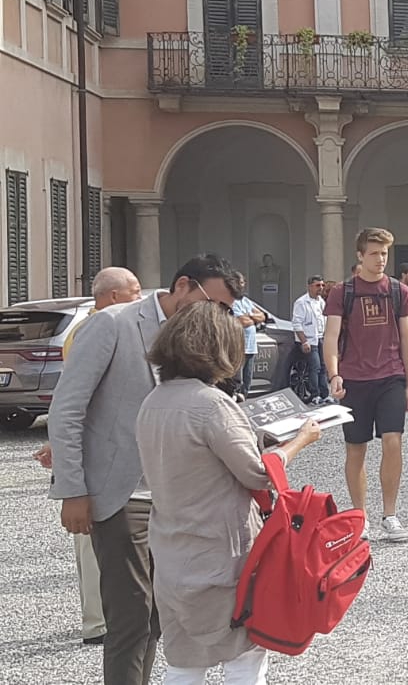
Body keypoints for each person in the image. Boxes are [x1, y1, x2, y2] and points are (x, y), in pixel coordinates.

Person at [48, 253, 242, 685]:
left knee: (161, 615)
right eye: (211, 303)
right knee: (132, 617)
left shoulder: (198, 337)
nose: (216, 316)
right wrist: (72, 489)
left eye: (225, 310)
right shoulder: (113, 324)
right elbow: (67, 409)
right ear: (182, 286)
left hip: (176, 498)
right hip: (122, 495)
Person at [137, 301, 322, 685]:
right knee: (244, 658)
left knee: (184, 662)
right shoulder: (211, 405)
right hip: (221, 552)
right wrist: (300, 440)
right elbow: (256, 474)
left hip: (172, 551)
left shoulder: (153, 400)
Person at [36, 267, 143, 648]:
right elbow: (78, 402)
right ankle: (98, 622)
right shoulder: (101, 329)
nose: (140, 297)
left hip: (90, 449)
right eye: (134, 291)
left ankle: (103, 618)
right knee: (93, 543)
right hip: (95, 456)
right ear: (113, 296)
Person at [323, 228, 408, 541]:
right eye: (375, 253)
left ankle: (390, 514)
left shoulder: (398, 291)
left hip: (390, 375)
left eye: (385, 254)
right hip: (354, 379)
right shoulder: (343, 291)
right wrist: (334, 374)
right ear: (360, 255)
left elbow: (406, 337)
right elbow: (331, 337)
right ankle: (359, 516)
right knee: (356, 448)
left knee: (393, 440)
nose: (381, 259)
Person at [292, 275, 330, 404]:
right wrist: (304, 341)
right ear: (310, 286)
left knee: (324, 367)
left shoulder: (321, 302)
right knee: (315, 367)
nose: (321, 288)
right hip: (309, 340)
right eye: (317, 285)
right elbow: (297, 323)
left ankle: (325, 394)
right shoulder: (301, 302)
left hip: (320, 337)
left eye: (322, 285)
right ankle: (315, 394)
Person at [229, 275, 267, 395]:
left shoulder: (245, 301)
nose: (243, 285)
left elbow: (262, 316)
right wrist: (253, 318)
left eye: (243, 282)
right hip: (238, 346)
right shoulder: (231, 301)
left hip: (250, 347)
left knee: (248, 379)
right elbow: (242, 321)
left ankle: (244, 397)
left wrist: (250, 316)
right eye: (240, 282)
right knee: (236, 380)